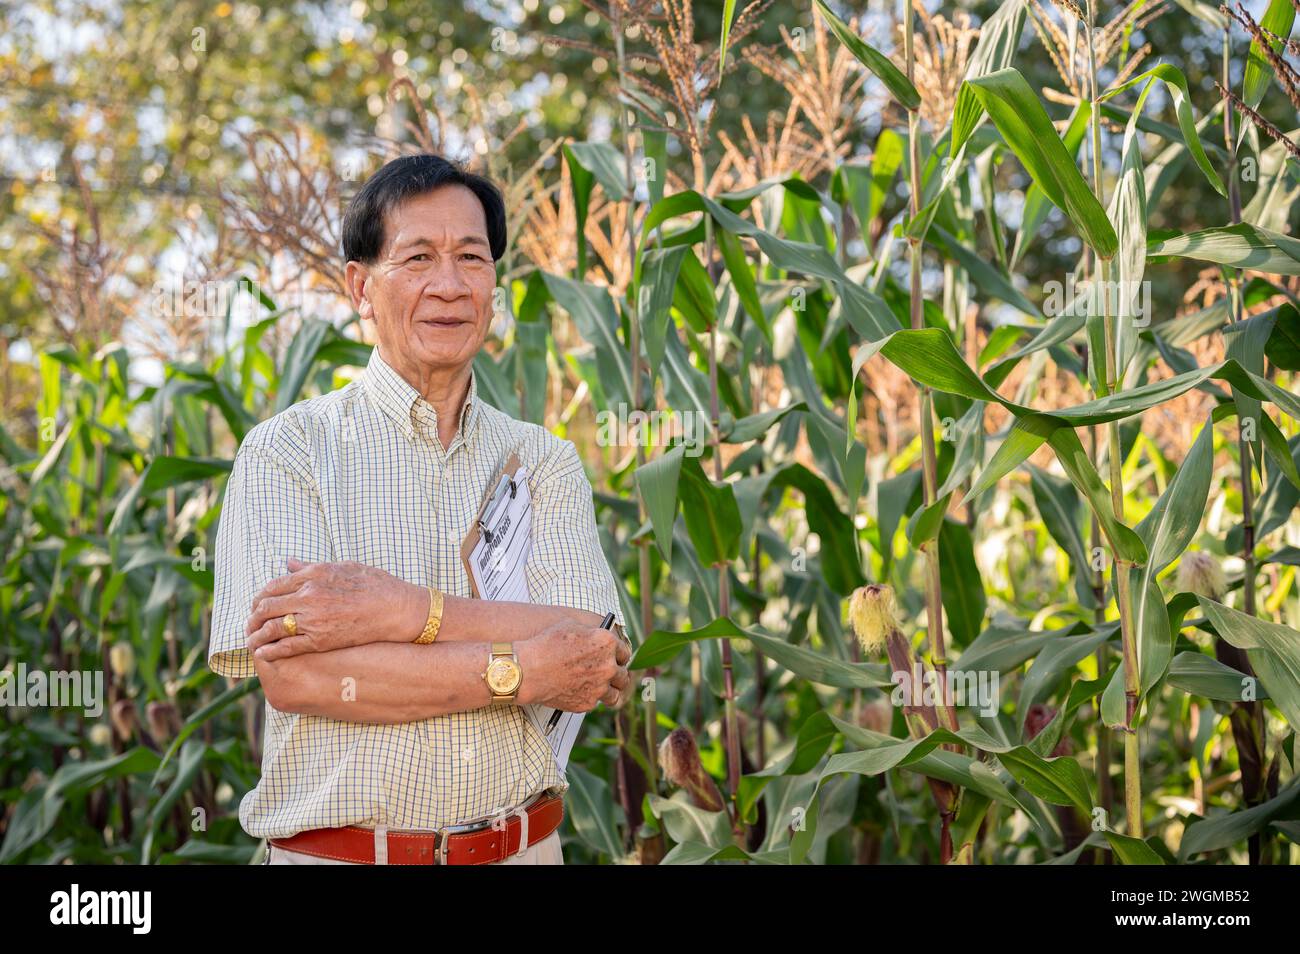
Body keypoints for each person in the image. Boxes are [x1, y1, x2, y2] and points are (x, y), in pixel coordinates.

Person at [207, 153, 632, 865]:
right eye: (418, 257)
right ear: (359, 286)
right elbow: (299, 678)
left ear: (495, 282)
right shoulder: (288, 452)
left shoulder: (545, 460)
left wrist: (407, 613)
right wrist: (526, 666)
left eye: (472, 256)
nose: (450, 284)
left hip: (523, 851)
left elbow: (594, 646)